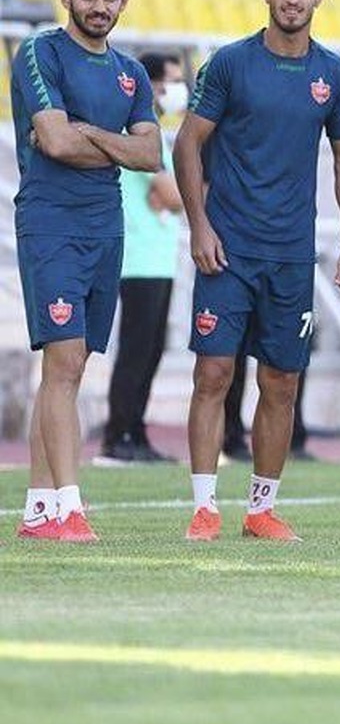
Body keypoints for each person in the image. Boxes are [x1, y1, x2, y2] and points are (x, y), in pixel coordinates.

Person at [176, 0, 340, 543]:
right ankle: (205, 507)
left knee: (282, 382)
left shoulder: (334, 74)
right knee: (214, 372)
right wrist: (199, 226)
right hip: (227, 250)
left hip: (291, 255)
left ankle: (261, 510)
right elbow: (187, 144)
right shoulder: (230, 64)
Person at [11, 0, 161, 542]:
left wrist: (90, 132)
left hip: (106, 226)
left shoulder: (132, 73)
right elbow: (53, 141)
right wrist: (114, 144)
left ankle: (37, 510)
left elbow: (150, 155)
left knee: (68, 370)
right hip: (51, 222)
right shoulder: (40, 52)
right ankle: (70, 508)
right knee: (65, 359)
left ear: (124, 1)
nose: (99, 6)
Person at [98, 51, 188, 465]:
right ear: (151, 84)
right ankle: (117, 435)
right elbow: (173, 195)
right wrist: (172, 196)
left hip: (159, 260)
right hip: (139, 260)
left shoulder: (156, 134)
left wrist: (171, 196)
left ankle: (135, 431)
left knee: (152, 350)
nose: (177, 90)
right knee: (136, 351)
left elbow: (170, 196)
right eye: (171, 81)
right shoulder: (135, 133)